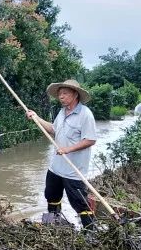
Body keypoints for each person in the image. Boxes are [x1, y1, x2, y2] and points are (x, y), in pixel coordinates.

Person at [25, 79, 97, 228]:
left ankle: (91, 232)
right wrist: (36, 117)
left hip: (73, 170)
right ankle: (51, 227)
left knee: (80, 203)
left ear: (75, 94)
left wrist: (68, 149)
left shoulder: (85, 115)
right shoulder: (62, 112)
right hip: (56, 168)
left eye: (65, 93)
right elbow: (52, 129)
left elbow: (90, 140)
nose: (61, 97)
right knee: (51, 196)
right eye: (59, 94)